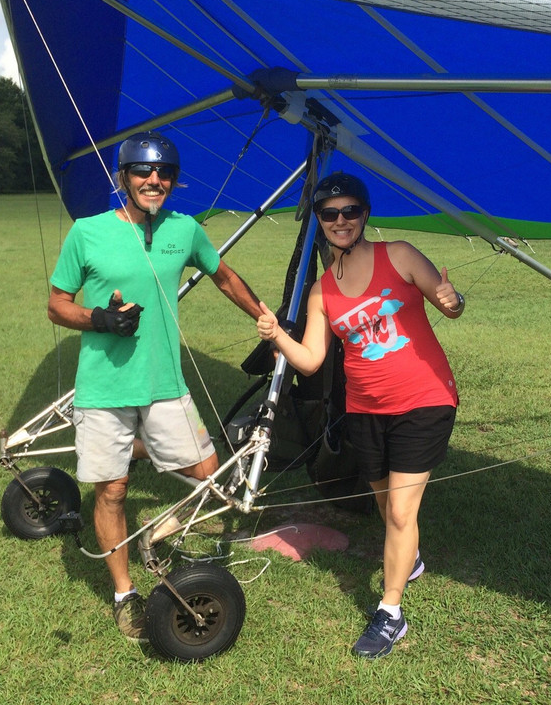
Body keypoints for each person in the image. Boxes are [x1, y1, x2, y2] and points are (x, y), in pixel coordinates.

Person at [47, 131, 261, 643]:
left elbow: (225, 276)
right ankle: (125, 595)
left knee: (211, 475)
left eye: (163, 173)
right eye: (143, 172)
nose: (154, 180)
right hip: (104, 387)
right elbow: (56, 303)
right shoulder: (88, 232)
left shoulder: (185, 230)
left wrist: (268, 321)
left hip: (165, 382)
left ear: (173, 181)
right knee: (113, 490)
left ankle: (140, 460)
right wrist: (98, 318)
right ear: (123, 178)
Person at [256, 171, 463, 659]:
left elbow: (447, 303)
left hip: (424, 399)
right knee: (383, 501)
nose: (341, 221)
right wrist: (274, 335)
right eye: (330, 214)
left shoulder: (401, 254)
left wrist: (452, 301)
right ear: (319, 222)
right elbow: (309, 359)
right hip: (365, 409)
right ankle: (407, 558)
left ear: (365, 214)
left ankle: (390, 613)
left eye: (350, 211)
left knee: (399, 510)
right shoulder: (322, 292)